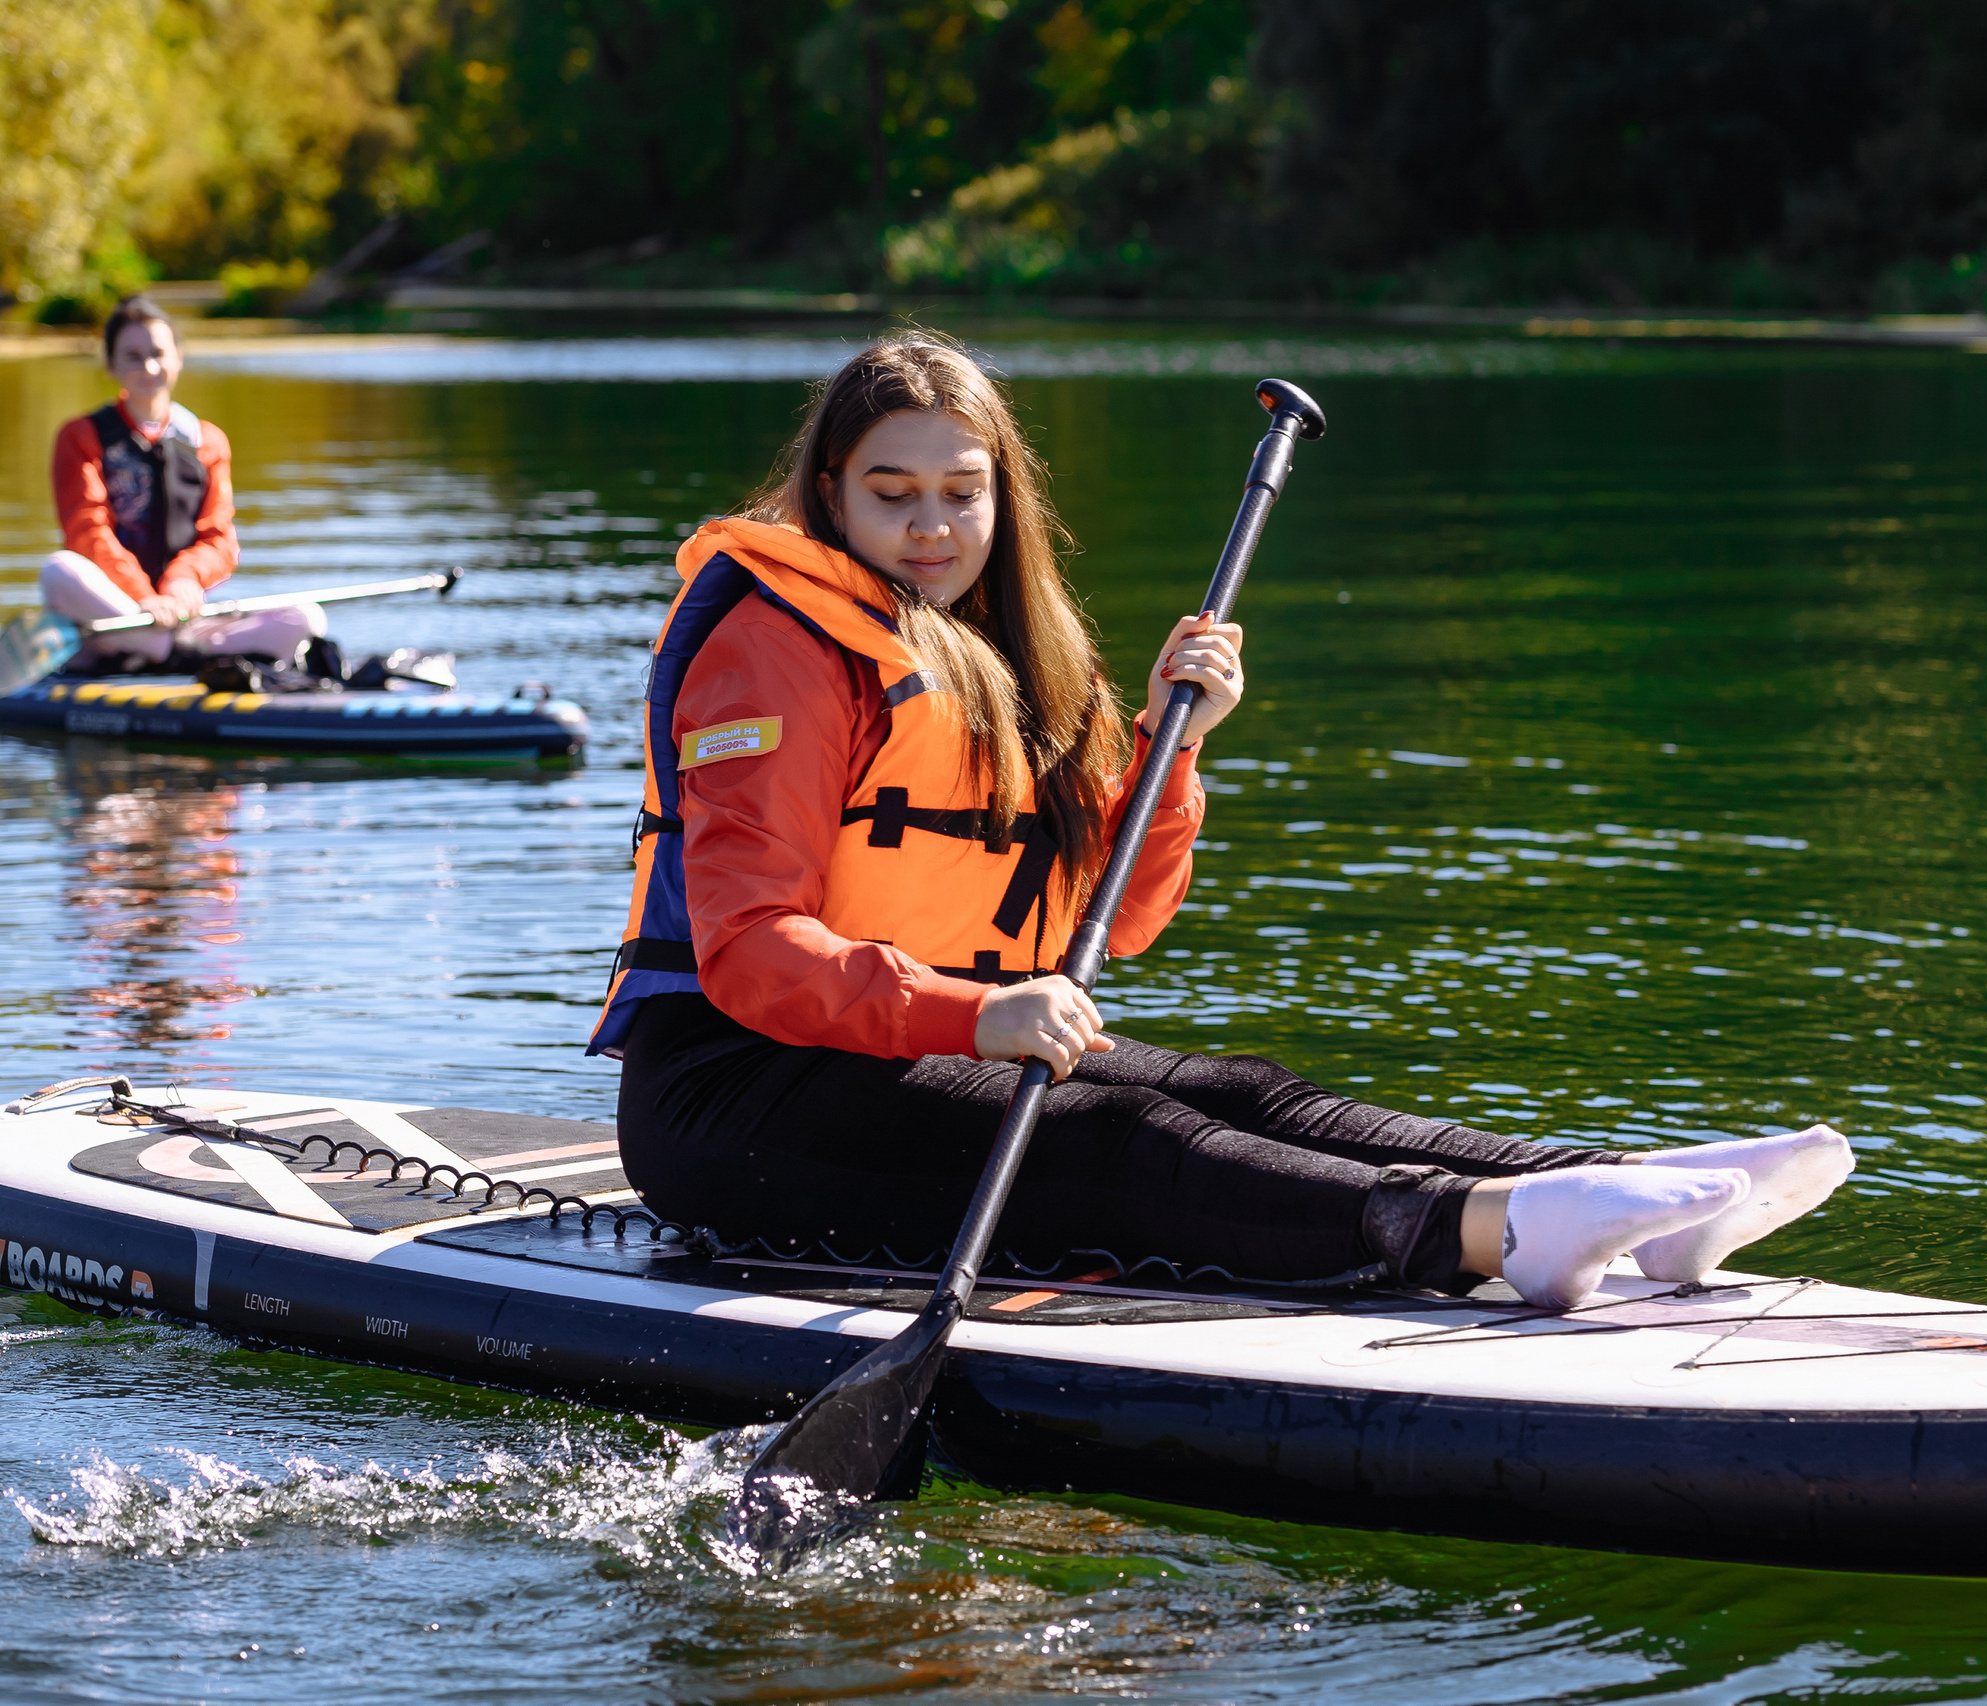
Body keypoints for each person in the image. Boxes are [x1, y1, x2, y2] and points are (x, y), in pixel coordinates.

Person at [594, 335, 1853, 1308]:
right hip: (737, 1089)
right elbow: (752, 952)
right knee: (1125, 1134)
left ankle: (1612, 1187)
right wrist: (975, 1012)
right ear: (831, 494)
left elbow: (1120, 920)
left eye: (960, 492)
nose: (931, 526)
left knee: (1247, 1089)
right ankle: (1492, 1236)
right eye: (893, 492)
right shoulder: (780, 649)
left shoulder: (1022, 655)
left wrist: (1169, 750)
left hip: (927, 1048)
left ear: (1002, 496)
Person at [43, 295, 323, 672]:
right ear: (111, 364)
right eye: (132, 355)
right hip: (115, 611)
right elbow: (86, 530)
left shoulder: (207, 441)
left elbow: (219, 539)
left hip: (183, 616)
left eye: (158, 352)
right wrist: (144, 598)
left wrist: (181, 582)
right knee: (58, 570)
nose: (148, 365)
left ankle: (166, 650)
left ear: (177, 357)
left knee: (305, 619)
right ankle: (168, 651)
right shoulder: (81, 436)